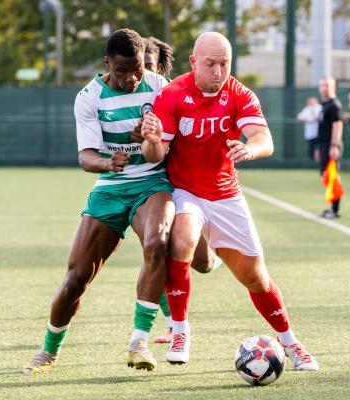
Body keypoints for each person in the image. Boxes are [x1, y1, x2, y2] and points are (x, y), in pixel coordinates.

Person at [140, 31, 319, 371]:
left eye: (225, 64)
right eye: (210, 64)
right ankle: (179, 331)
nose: (218, 72)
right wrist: (150, 141)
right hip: (185, 190)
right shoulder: (173, 94)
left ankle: (291, 343)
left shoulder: (238, 94)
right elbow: (155, 154)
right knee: (181, 239)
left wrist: (250, 149)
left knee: (255, 278)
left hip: (226, 195)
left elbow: (263, 138)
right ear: (194, 63)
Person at [23, 28, 173, 374]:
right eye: (122, 70)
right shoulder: (89, 97)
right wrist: (108, 161)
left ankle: (139, 343)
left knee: (157, 241)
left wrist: (150, 139)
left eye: (137, 68)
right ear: (107, 63)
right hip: (109, 188)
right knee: (76, 279)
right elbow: (86, 157)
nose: (132, 77)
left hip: (152, 184)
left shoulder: (160, 88)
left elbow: (168, 148)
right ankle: (49, 349)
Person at [140, 35, 220, 345]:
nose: (143, 73)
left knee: (202, 263)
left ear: (161, 68)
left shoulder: (175, 96)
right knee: (156, 252)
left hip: (185, 188)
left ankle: (217, 250)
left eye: (150, 66)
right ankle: (177, 326)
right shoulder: (131, 96)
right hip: (152, 190)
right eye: (139, 66)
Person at [316, 77, 344, 218]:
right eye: (322, 85)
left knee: (332, 176)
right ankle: (332, 207)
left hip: (330, 145)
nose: (324, 88)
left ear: (333, 86)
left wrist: (334, 146)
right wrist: (318, 148)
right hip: (323, 145)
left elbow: (337, 125)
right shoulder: (325, 105)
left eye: (327, 85)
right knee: (326, 176)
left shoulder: (334, 105)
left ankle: (335, 209)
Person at [296, 97, 322, 161]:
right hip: (310, 134)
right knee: (311, 149)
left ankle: (319, 160)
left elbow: (317, 118)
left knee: (319, 148)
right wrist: (306, 119)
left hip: (319, 133)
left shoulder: (319, 107)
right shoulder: (306, 108)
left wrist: (312, 111)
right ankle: (313, 162)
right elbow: (299, 117)